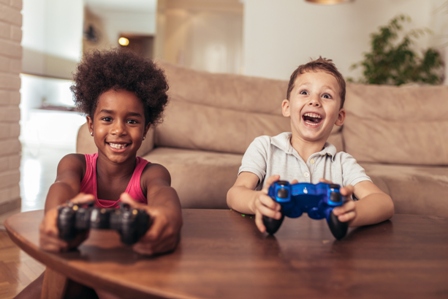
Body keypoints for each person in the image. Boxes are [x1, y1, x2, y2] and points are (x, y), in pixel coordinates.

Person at [18, 49, 183, 299]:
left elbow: (166, 198)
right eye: (107, 118)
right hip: (79, 263)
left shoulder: (152, 173)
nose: (118, 130)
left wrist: (166, 221)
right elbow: (61, 186)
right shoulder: (75, 164)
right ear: (91, 125)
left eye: (132, 121)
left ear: (147, 128)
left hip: (129, 272)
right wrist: (55, 218)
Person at [226, 57, 394, 233]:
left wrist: (353, 213)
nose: (314, 101)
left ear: (339, 117)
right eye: (304, 92)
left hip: (329, 253)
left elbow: (384, 202)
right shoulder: (265, 147)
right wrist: (255, 201)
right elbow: (236, 192)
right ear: (287, 107)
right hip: (270, 248)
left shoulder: (342, 163)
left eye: (326, 95)